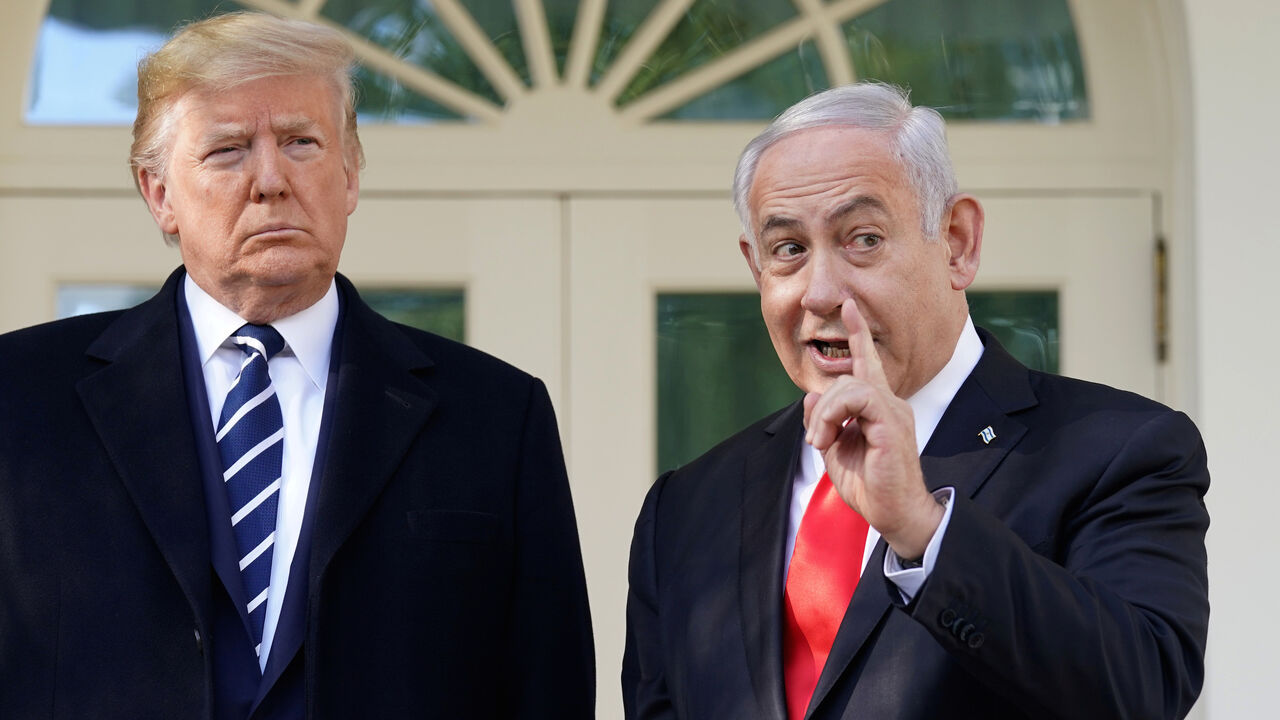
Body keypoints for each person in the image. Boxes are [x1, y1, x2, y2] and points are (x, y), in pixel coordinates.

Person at [0, 12, 593, 720]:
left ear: (349, 176)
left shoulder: (496, 414)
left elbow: (546, 691)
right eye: (227, 150)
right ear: (160, 195)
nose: (271, 180)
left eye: (301, 142)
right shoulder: (20, 399)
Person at [622, 83, 1209, 719]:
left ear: (957, 242)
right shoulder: (684, 509)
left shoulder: (1117, 450)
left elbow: (1143, 689)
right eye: (788, 249)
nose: (821, 291)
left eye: (863, 238)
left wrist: (922, 530)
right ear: (756, 269)